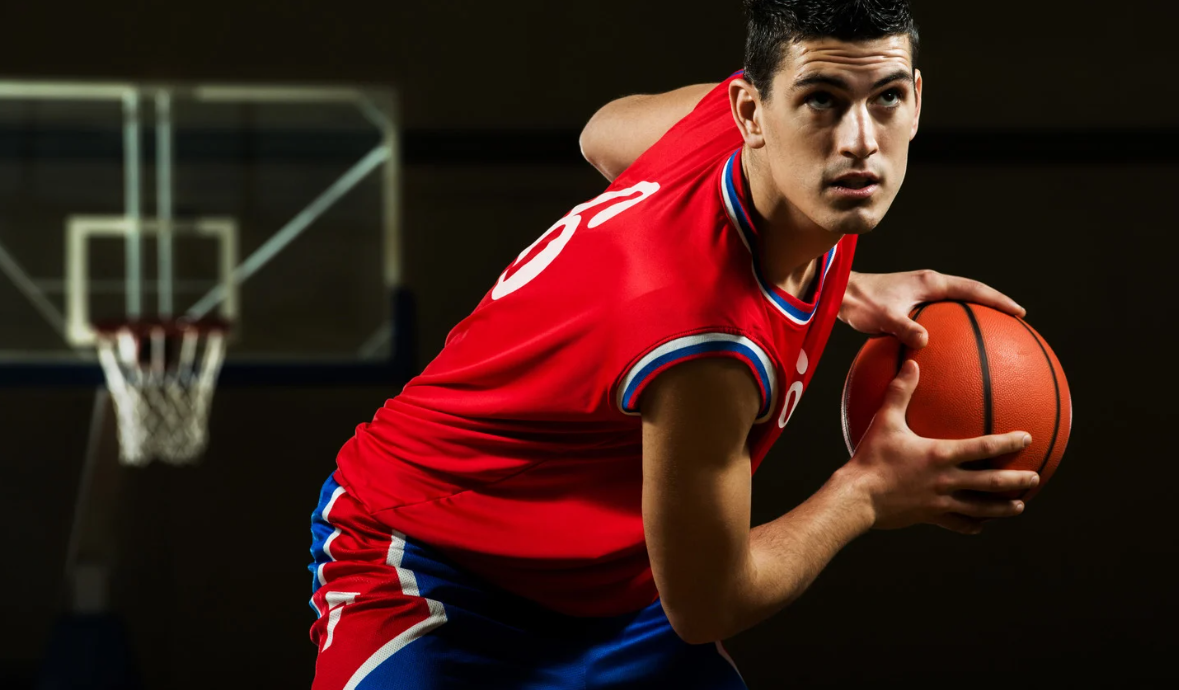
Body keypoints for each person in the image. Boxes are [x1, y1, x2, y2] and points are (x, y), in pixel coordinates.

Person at [308, 1, 1039, 687]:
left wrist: (843, 287)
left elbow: (601, 132)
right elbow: (709, 605)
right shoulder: (702, 338)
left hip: (608, 592)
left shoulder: (726, 133)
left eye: (885, 97)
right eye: (821, 100)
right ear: (752, 112)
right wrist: (868, 491)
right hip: (430, 565)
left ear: (916, 96)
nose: (859, 140)